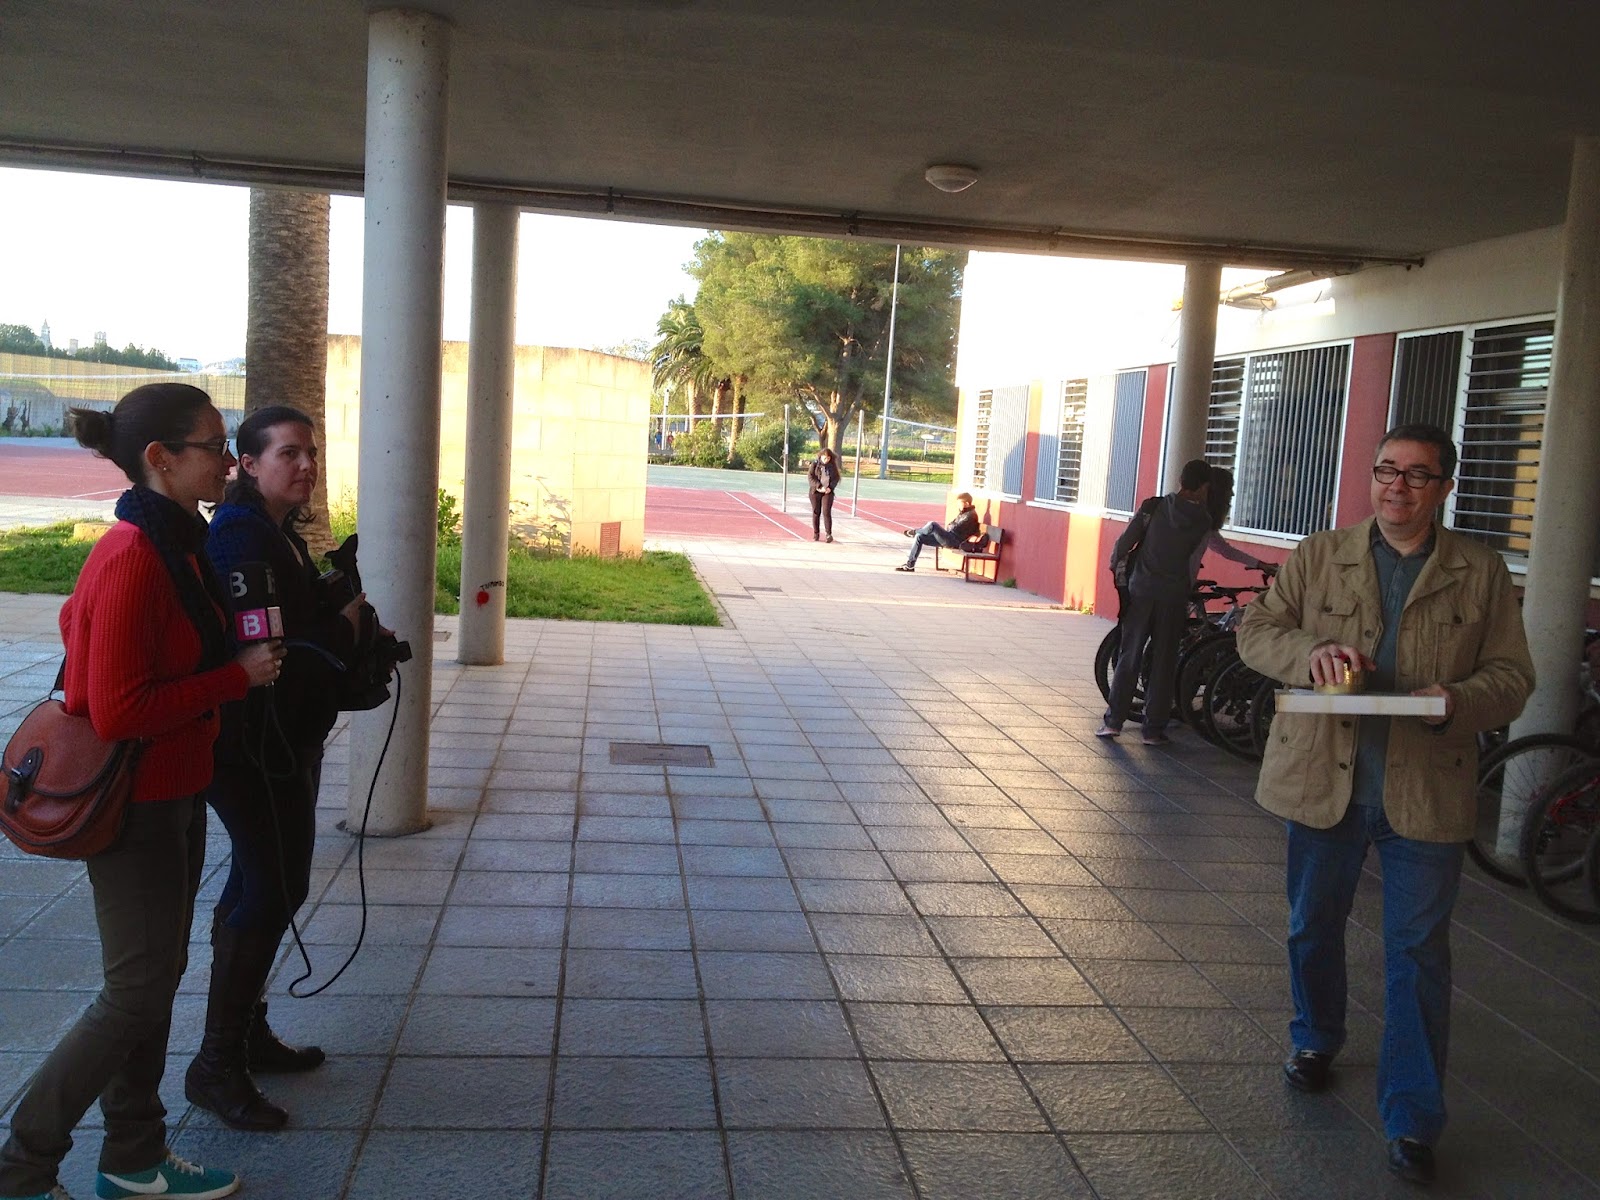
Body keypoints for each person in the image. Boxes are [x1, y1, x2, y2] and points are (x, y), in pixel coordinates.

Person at [0, 385, 282, 1200]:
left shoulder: (177, 543)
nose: (228, 462)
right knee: (134, 990)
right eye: (214, 447)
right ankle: (21, 1166)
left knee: (155, 981)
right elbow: (117, 708)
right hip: (136, 805)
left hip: (175, 789)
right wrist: (234, 677)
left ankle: (134, 1157)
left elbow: (84, 631)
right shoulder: (133, 554)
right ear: (160, 458)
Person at [1236, 423, 1534, 1186]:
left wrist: (1456, 700)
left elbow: (1512, 676)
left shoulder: (1479, 571)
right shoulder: (1320, 554)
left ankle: (1411, 1119)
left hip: (1425, 789)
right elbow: (1258, 629)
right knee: (1311, 925)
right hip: (1322, 781)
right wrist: (1312, 654)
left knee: (1417, 954)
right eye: (1386, 470)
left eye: (1417, 475)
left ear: (1445, 487)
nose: (1397, 486)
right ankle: (1316, 1035)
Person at [184, 407, 362, 1132]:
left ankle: (243, 1036)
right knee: (272, 886)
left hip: (281, 740)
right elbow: (267, 649)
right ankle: (215, 1064)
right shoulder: (240, 534)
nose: (305, 465)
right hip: (251, 747)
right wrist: (344, 625)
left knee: (264, 884)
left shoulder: (274, 531)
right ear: (249, 464)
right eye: (288, 453)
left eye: (310, 452)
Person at [1098, 459, 1214, 744]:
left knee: (1130, 655)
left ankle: (1114, 722)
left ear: (1181, 480)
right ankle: (1152, 730)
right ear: (1204, 487)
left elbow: (1124, 543)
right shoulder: (1204, 521)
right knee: (1164, 661)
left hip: (1141, 591)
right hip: (1173, 596)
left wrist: (1117, 568)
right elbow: (1192, 563)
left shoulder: (1153, 507)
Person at [895, 492, 980, 572]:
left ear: (967, 503)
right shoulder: (964, 513)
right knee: (919, 537)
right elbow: (950, 526)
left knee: (932, 525)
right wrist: (951, 526)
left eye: (959, 503)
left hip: (955, 541)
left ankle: (915, 532)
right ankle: (910, 565)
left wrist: (951, 526)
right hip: (950, 537)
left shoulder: (970, 515)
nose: (958, 505)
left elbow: (954, 527)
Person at [807, 448, 841, 542]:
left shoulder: (832, 466)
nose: (826, 460)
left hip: (827, 492)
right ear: (821, 456)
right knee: (816, 512)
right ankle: (816, 533)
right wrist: (819, 486)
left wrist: (830, 487)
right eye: (825, 458)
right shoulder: (815, 464)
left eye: (828, 458)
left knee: (826, 511)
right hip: (816, 491)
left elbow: (836, 478)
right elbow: (810, 477)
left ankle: (828, 534)